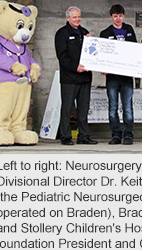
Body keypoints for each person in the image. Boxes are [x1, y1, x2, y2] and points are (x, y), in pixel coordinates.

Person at [55, 6, 98, 145]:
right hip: (69, 78)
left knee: (84, 109)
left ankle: (84, 136)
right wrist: (75, 67)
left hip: (85, 78)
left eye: (79, 16)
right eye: (74, 17)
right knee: (67, 108)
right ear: (68, 18)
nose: (77, 19)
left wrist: (93, 42)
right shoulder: (61, 33)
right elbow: (62, 56)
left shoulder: (85, 33)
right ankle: (66, 137)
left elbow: (93, 53)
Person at [100, 4, 137, 145]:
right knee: (113, 108)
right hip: (112, 78)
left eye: (120, 16)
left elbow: (135, 50)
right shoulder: (105, 33)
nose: (118, 18)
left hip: (127, 77)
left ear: (124, 16)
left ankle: (128, 135)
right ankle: (116, 135)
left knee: (127, 108)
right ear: (111, 17)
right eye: (115, 16)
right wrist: (103, 67)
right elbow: (102, 54)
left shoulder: (129, 30)